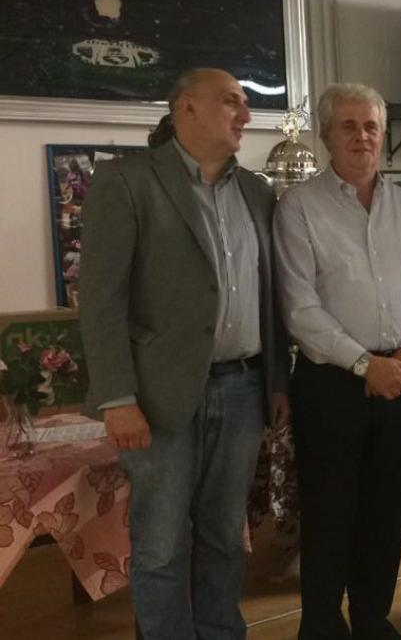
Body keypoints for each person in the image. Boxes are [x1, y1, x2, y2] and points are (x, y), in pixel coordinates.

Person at [79, 67, 290, 639]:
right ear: (186, 108)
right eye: (232, 102)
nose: (245, 115)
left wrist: (277, 381)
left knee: (225, 536)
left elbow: (271, 294)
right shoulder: (126, 181)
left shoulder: (257, 192)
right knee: (161, 542)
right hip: (156, 396)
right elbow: (100, 300)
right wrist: (117, 398)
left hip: (244, 388)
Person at [274, 82, 401, 640]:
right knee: (329, 514)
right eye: (348, 126)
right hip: (332, 385)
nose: (363, 137)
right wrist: (364, 365)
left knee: (387, 511)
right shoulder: (299, 208)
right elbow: (299, 308)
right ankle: (322, 627)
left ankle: (371, 620)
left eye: (371, 126)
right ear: (326, 136)